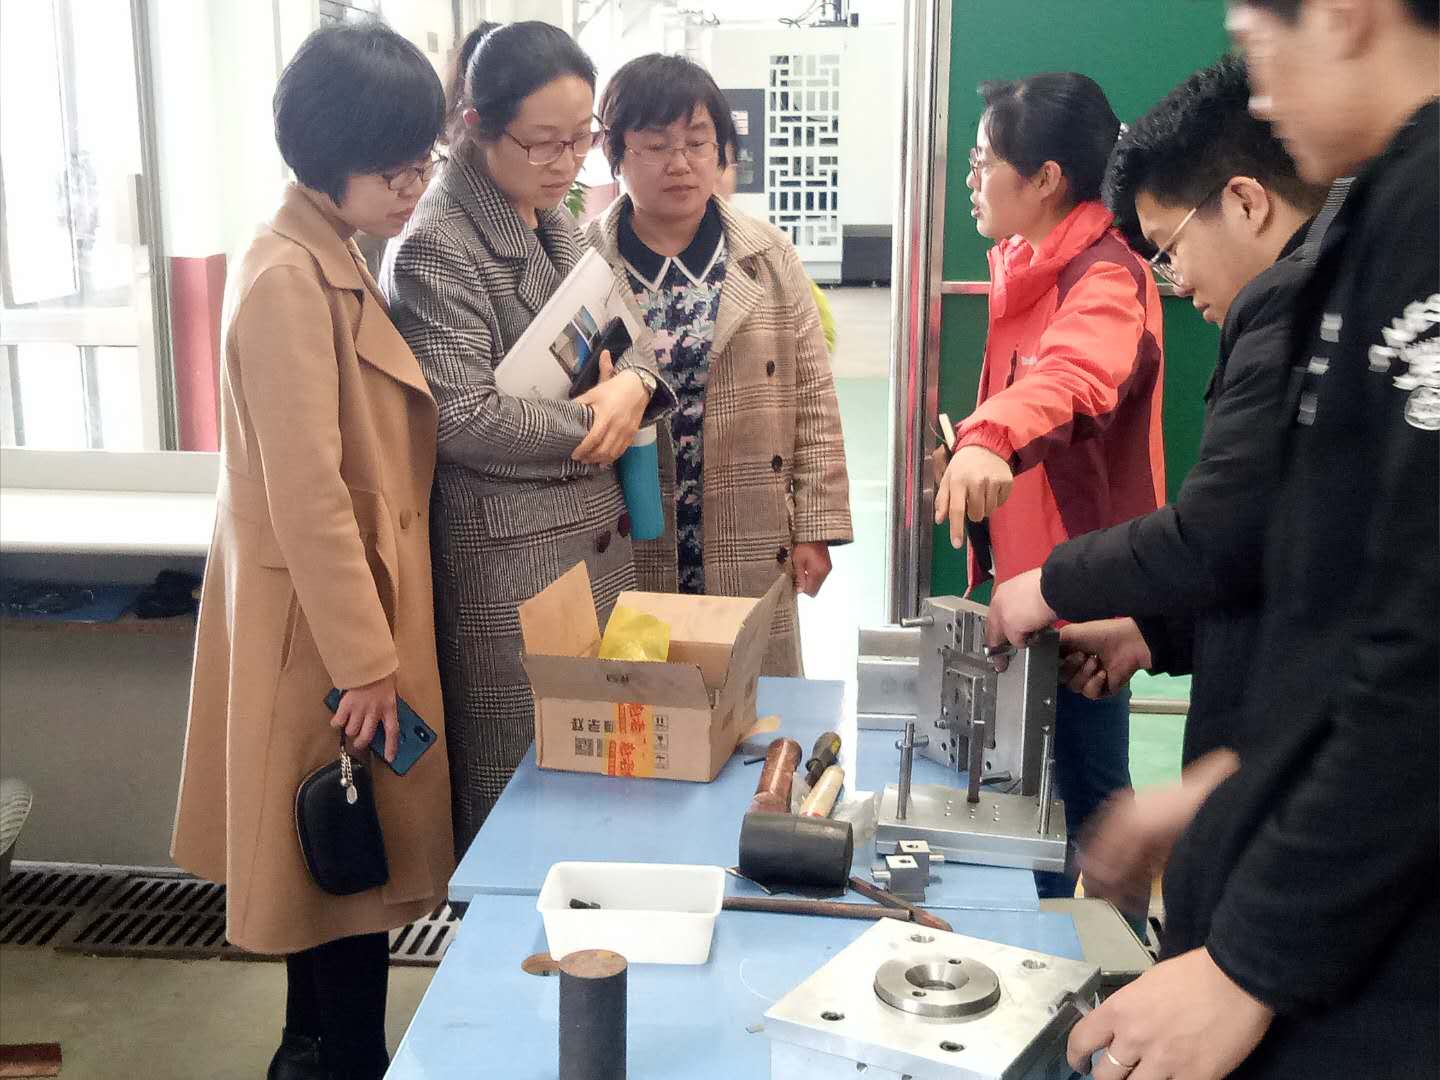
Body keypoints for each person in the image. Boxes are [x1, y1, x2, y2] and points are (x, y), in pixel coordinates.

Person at [1032, 2, 1437, 1076]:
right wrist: (1223, 791)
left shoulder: (1426, 222)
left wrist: (1250, 964)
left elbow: (1422, 656)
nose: (1258, 90)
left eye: (1259, 42)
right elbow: (1340, 608)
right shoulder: (1377, 212)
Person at [170, 23, 452, 1080]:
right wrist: (366, 661)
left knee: (333, 865)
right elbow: (309, 496)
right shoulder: (288, 277)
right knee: (338, 864)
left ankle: (314, 1053)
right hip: (324, 636)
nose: (414, 187)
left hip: (332, 619)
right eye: (395, 168)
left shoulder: (328, 252)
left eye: (423, 162)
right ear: (327, 157)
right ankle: (337, 1061)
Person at [984, 57, 1333, 798]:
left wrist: (1050, 584)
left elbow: (1214, 535)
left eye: (1172, 247)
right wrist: (1155, 634)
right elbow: (1283, 559)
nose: (1176, 278)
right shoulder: (1302, 305)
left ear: (1245, 202)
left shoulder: (1289, 321)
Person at [381, 22, 673, 859]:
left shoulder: (556, 220)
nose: (566, 162)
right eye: (544, 142)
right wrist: (598, 419)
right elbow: (462, 415)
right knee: (519, 805)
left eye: (581, 139)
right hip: (509, 571)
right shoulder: (437, 246)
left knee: (598, 794)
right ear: (476, 124)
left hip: (590, 552)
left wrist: (634, 385)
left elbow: (635, 340)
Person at [933, 73, 1166, 898]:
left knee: (1093, 802)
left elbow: (1072, 379)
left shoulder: (1105, 278)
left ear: (1046, 180)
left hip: (1084, 594)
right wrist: (970, 451)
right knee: (1035, 794)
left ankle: (1116, 956)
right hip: (1029, 583)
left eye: (982, 161)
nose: (971, 179)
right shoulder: (1025, 266)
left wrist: (990, 438)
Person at [586, 54, 852, 674]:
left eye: (698, 142)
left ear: (722, 150)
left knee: (751, 697)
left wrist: (815, 526)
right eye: (656, 145)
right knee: (643, 697)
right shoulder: (583, 260)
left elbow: (813, 395)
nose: (680, 163)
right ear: (616, 153)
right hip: (630, 528)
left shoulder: (768, 254)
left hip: (748, 521)